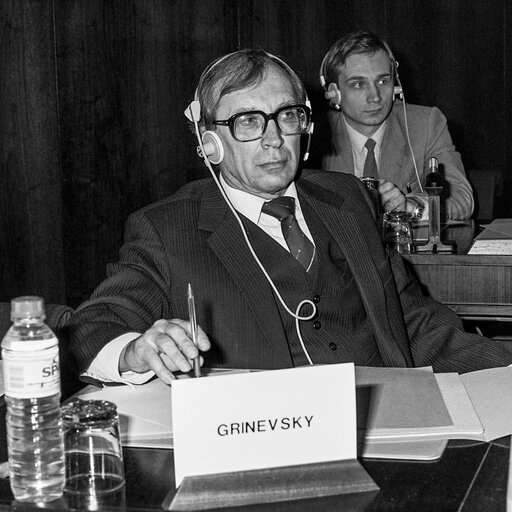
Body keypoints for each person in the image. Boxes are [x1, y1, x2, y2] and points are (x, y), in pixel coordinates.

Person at [65, 48, 510, 388]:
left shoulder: (349, 199)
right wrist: (136, 352)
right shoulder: (167, 229)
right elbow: (95, 324)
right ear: (210, 143)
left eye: (287, 116)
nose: (274, 138)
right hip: (267, 439)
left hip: (393, 419)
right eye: (248, 121)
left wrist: (501, 368)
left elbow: (412, 319)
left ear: (307, 126)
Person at [319, 31, 473, 220]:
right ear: (334, 93)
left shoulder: (426, 124)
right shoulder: (316, 135)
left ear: (396, 86)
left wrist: (412, 208)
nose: (375, 97)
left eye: (383, 81)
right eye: (358, 84)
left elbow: (462, 200)